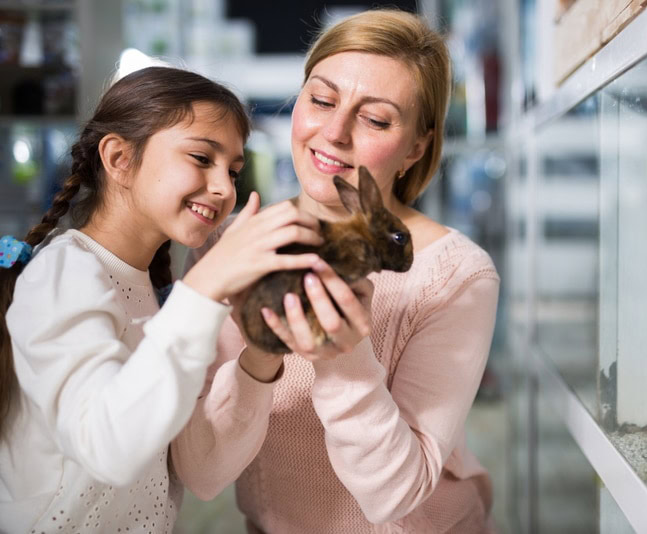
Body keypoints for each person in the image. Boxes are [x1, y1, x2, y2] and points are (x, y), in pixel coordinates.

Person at [174, 9, 501, 533]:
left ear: (416, 146)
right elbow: (203, 473)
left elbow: (396, 497)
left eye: (375, 119)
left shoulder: (455, 275)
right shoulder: (228, 244)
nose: (335, 132)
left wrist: (343, 356)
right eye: (322, 100)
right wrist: (263, 352)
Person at [0, 66, 328, 533]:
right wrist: (206, 286)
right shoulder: (63, 272)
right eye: (201, 157)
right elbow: (108, 450)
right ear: (118, 158)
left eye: (233, 171)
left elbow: (206, 475)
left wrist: (261, 352)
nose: (224, 189)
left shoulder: (161, 300)